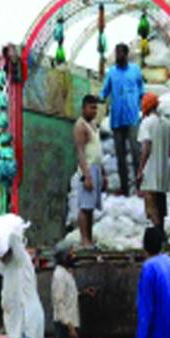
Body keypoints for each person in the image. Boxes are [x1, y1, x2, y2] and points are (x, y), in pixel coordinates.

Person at [100, 43, 144, 196]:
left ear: (126, 54)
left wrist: (138, 106)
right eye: (116, 53)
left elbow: (141, 90)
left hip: (132, 118)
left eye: (120, 53)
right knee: (120, 156)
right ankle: (124, 188)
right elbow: (104, 91)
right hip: (117, 120)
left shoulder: (135, 71)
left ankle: (140, 186)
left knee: (136, 151)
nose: (118, 56)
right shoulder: (111, 73)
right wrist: (97, 99)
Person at [137, 93, 170, 231]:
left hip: (150, 171)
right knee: (161, 203)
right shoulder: (166, 124)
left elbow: (146, 147)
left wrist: (140, 170)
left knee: (151, 205)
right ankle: (162, 235)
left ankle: (157, 235)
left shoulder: (146, 123)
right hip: (164, 171)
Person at [73, 95, 105, 247]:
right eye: (91, 108)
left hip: (96, 167)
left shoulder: (93, 124)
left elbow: (97, 149)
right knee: (85, 207)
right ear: (84, 108)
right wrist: (86, 175)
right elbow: (80, 152)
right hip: (87, 168)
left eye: (96, 108)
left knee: (91, 207)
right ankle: (84, 240)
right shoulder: (80, 126)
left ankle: (89, 240)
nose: (94, 111)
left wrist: (102, 172)